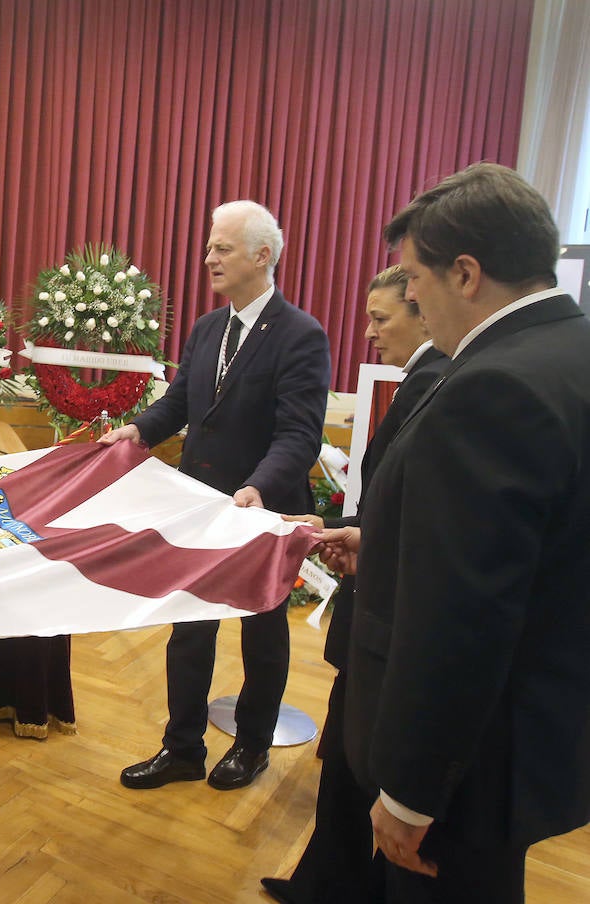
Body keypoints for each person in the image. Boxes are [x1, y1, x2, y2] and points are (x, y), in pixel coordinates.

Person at [317, 163, 590, 902]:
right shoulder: (569, 353)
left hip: (467, 766)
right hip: (537, 737)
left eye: (414, 279)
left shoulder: (491, 388)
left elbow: (464, 621)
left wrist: (409, 795)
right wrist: (386, 546)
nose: (410, 298)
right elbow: (531, 550)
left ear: (465, 273)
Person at [101, 200, 331, 791]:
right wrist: (139, 430)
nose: (208, 258)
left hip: (263, 506)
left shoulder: (301, 335)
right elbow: (180, 402)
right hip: (200, 507)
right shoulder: (208, 328)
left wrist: (257, 486)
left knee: (262, 631)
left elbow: (300, 435)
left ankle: (252, 746)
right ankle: (182, 747)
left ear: (263, 255)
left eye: (221, 248)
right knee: (190, 627)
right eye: (209, 247)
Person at [261, 266, 446, 904]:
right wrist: (352, 531)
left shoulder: (439, 380)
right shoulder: (425, 378)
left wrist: (363, 537)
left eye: (380, 318)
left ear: (424, 311)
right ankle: (328, 881)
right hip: (375, 598)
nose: (367, 333)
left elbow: (421, 512)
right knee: (342, 763)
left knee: (351, 764)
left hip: (387, 625)